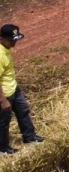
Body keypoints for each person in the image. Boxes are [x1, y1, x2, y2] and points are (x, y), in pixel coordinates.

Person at [0, 24, 41, 156]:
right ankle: (3, 149)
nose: (15, 42)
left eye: (16, 39)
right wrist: (3, 101)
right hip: (5, 94)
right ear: (2, 38)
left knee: (23, 111)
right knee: (4, 122)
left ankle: (30, 138)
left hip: (13, 88)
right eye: (12, 39)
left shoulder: (6, 47)